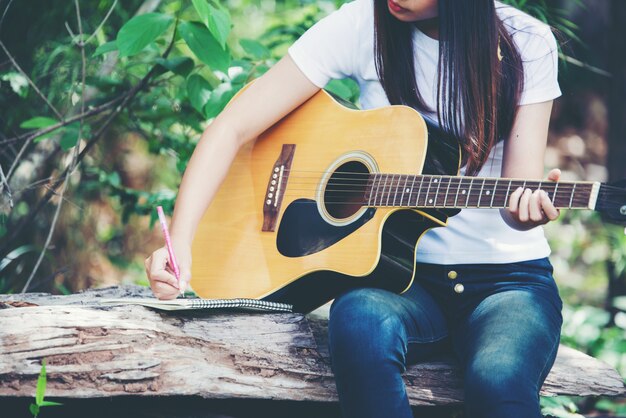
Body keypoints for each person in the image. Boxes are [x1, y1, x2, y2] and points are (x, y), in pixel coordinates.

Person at [144, 1, 564, 417]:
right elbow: (232, 126)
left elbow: (516, 201)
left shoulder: (527, 42)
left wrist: (529, 209)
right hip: (397, 280)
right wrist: (180, 243)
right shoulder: (365, 23)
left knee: (498, 383)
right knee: (359, 323)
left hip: (507, 283)